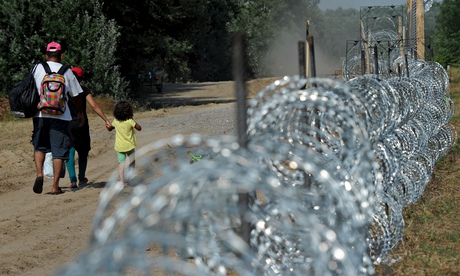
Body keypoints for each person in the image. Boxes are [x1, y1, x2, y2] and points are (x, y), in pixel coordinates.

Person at [31, 41, 85, 195]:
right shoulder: (66, 71)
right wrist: (80, 112)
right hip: (61, 115)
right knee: (59, 150)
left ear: (46, 55)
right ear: (61, 55)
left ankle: (39, 173)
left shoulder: (37, 68)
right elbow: (76, 95)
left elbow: (30, 89)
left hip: (40, 114)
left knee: (39, 145)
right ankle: (55, 186)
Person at [66, 67, 112, 190]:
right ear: (81, 78)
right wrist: (106, 120)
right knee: (83, 151)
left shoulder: (65, 90)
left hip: (67, 123)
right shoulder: (84, 90)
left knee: (70, 150)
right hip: (82, 124)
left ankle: (72, 180)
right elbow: (94, 106)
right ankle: (82, 178)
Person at [107, 101, 142, 184]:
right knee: (132, 162)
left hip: (120, 147)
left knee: (121, 163)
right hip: (130, 146)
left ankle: (121, 181)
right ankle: (130, 178)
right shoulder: (130, 121)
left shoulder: (116, 121)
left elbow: (110, 128)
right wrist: (134, 121)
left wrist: (108, 126)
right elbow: (139, 128)